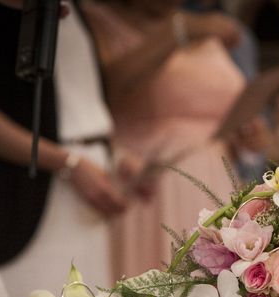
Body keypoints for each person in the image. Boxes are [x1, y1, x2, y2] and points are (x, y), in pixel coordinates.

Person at [0, 1, 150, 297]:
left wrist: (115, 156)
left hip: (87, 190)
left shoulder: (75, 10)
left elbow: (79, 100)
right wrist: (68, 162)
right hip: (27, 194)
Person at [83, 0, 245, 279]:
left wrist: (247, 141)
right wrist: (180, 30)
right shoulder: (95, 17)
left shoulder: (209, 26)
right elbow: (105, 89)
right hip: (152, 189)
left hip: (218, 180)